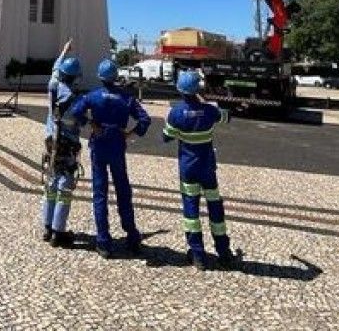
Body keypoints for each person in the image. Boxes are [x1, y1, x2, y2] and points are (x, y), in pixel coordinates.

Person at [69, 58, 151, 258]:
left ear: (100, 77)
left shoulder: (93, 96)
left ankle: (104, 241)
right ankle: (131, 235)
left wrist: (90, 122)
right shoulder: (126, 98)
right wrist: (130, 134)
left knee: (100, 193)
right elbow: (145, 119)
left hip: (99, 145)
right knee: (123, 190)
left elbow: (74, 112)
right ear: (116, 77)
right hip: (117, 146)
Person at [163, 69, 237, 271]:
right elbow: (227, 117)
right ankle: (223, 252)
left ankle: (198, 254)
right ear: (198, 89)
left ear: (180, 89)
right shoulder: (210, 111)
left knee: (191, 211)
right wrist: (205, 102)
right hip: (207, 168)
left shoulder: (176, 112)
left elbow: (166, 136)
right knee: (215, 207)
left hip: (188, 168)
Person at [42, 39, 83, 247]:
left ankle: (47, 227)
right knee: (64, 189)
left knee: (50, 182)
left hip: (51, 141)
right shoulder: (74, 99)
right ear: (75, 76)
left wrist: (64, 52)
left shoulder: (53, 85)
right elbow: (79, 122)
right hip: (67, 144)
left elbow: (55, 69)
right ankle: (59, 231)